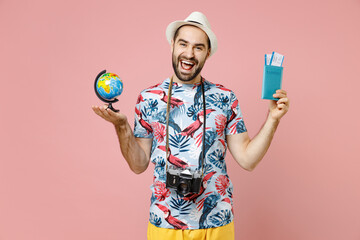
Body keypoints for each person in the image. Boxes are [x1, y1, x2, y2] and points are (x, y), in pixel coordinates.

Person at [92, 11, 289, 240]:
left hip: (217, 221)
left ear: (207, 53)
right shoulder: (148, 98)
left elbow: (248, 159)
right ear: (172, 45)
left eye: (198, 47)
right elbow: (138, 165)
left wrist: (273, 119)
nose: (189, 53)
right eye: (183, 44)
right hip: (164, 224)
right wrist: (122, 126)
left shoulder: (225, 97)